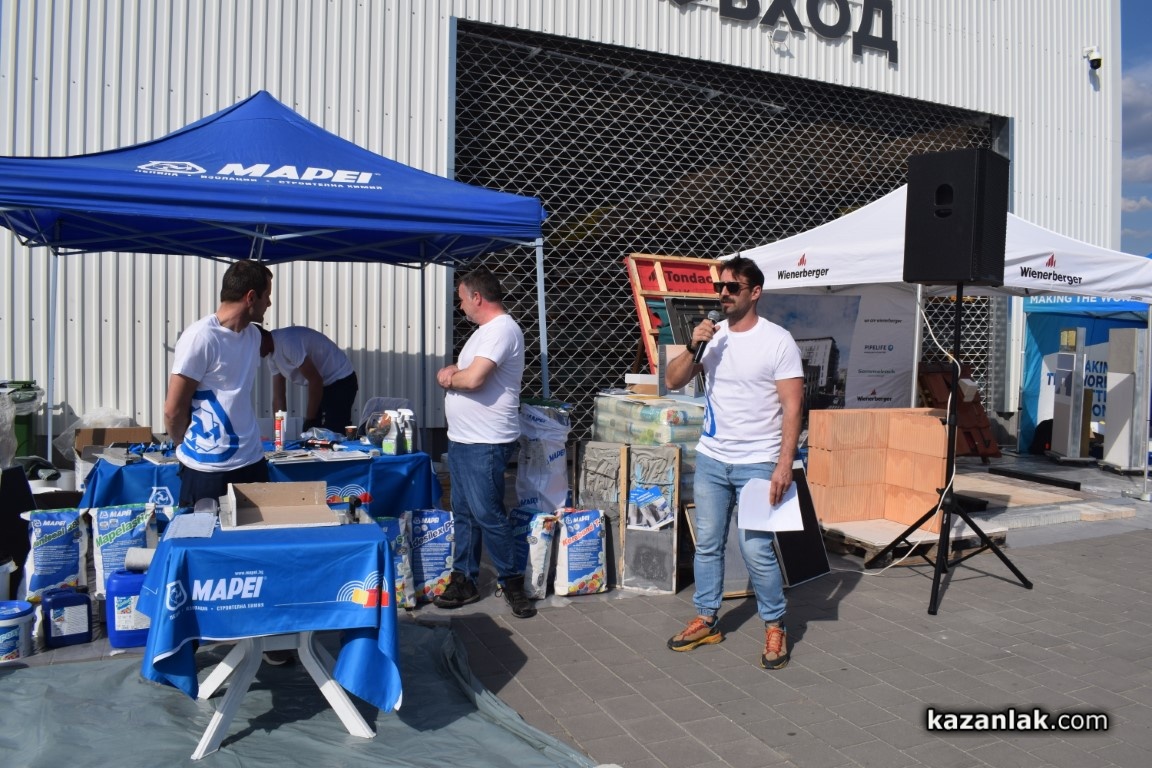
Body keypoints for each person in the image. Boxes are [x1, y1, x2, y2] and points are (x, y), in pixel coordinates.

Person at [663, 255, 804, 670]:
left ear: (754, 292)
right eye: (719, 287)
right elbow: (672, 380)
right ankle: (707, 618)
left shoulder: (778, 341)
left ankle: (775, 624)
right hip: (712, 459)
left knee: (755, 549)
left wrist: (784, 464)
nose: (723, 294)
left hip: (759, 462)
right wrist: (694, 344)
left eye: (732, 287)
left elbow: (793, 407)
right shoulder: (713, 336)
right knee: (707, 544)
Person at [433, 266, 535, 619]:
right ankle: (465, 578)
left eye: (462, 299)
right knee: (464, 513)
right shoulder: (484, 333)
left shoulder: (501, 329)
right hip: (464, 439)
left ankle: (512, 583)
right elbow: (470, 370)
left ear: (477, 297)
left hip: (485, 441)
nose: (460, 306)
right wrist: (454, 371)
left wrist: (449, 378)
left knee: (488, 514)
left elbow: (474, 378)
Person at [164, 260, 274, 508]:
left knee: (257, 532)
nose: (269, 303)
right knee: (204, 532)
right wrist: (184, 443)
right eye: (266, 296)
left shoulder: (253, 336)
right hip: (207, 469)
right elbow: (173, 409)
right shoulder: (200, 337)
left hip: (252, 461)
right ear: (251, 297)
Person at [258, 326, 358, 433]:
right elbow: (279, 397)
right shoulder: (272, 359)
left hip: (341, 379)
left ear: (261, 338)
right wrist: (279, 432)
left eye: (252, 347)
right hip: (323, 384)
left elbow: (315, 380)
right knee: (313, 435)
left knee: (333, 432)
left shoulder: (287, 343)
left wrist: (310, 419)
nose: (252, 353)